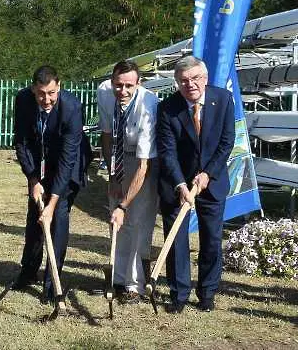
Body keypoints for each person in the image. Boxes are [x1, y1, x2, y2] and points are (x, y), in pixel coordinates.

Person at [157, 56, 234, 313]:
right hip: (177, 183)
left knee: (211, 239)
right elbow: (167, 151)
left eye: (195, 78)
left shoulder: (222, 100)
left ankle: (207, 292)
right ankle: (178, 294)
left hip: (211, 183)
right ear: (177, 83)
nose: (190, 84)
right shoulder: (168, 107)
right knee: (176, 239)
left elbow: (226, 142)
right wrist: (180, 184)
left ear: (205, 78)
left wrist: (207, 175)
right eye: (183, 81)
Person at [12, 65, 89, 301]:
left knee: (57, 219)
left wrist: (52, 204)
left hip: (68, 163)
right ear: (33, 89)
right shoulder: (23, 100)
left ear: (59, 86)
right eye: (41, 94)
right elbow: (22, 142)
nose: (47, 99)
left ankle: (51, 283)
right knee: (35, 216)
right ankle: (27, 272)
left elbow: (68, 160)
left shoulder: (72, 108)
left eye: (52, 93)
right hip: (39, 162)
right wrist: (33, 180)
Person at [98, 60, 159, 304]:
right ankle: (118, 277)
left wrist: (124, 203)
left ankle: (136, 284)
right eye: (118, 85)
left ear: (139, 84)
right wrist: (112, 176)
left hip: (144, 162)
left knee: (136, 222)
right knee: (116, 222)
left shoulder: (148, 105)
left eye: (128, 86)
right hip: (118, 159)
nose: (122, 91)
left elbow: (144, 165)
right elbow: (106, 136)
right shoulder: (104, 92)